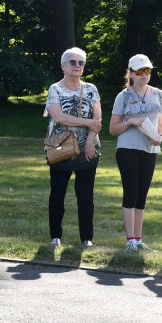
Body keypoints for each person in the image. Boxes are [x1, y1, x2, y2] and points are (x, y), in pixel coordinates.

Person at [109, 54, 162, 251]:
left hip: (150, 149)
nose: (144, 74)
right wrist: (130, 121)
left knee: (142, 195)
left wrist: (159, 136)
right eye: (140, 71)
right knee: (131, 193)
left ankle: (138, 240)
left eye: (147, 70)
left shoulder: (158, 94)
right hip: (127, 149)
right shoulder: (123, 96)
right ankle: (130, 241)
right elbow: (112, 129)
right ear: (131, 73)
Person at [45, 48, 102, 247]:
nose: (77, 66)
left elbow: (97, 119)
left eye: (81, 63)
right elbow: (58, 116)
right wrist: (86, 124)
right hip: (60, 146)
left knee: (86, 195)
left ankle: (86, 238)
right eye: (73, 62)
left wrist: (89, 141)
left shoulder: (91, 89)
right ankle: (55, 236)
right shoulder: (55, 89)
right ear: (63, 66)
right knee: (57, 193)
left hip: (87, 148)